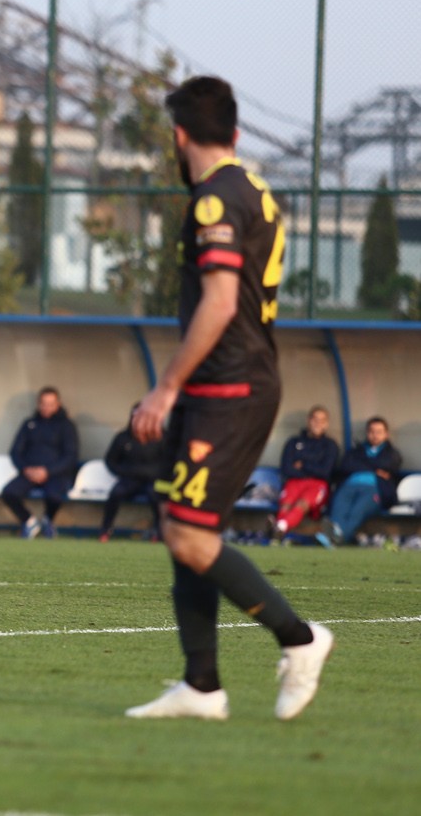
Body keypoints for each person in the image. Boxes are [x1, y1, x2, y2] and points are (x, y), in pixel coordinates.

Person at [128, 75, 331, 722]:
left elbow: (219, 302)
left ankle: (300, 638)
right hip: (224, 383)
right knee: (182, 527)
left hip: (231, 385)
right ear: (235, 133)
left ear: (179, 136)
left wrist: (166, 385)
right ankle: (202, 685)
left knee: (189, 536)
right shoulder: (256, 192)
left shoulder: (214, 201)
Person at [0, 387, 79, 538]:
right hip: (29, 472)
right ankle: (29, 522)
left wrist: (47, 471)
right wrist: (26, 469)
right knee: (9, 492)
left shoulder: (66, 426)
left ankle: (48, 521)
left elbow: (70, 456)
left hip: (55, 473)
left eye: (50, 403)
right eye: (43, 403)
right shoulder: (29, 423)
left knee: (54, 496)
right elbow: (15, 452)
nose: (46, 407)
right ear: (38, 404)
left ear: (58, 404)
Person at [318, 416, 403, 548]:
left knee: (357, 511)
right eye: (371, 431)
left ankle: (337, 538)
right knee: (339, 508)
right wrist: (376, 469)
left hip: (374, 489)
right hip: (349, 485)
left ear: (386, 434)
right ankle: (334, 536)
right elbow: (347, 465)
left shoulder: (392, 453)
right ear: (367, 433)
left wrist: (361, 465)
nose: (375, 435)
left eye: (379, 432)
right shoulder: (355, 451)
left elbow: (390, 465)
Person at [99, 409, 170, 542]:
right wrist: (126, 471)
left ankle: (158, 531)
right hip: (129, 479)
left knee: (158, 496)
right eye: (136, 418)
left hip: (154, 480)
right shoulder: (123, 437)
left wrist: (154, 472)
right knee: (115, 493)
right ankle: (105, 530)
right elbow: (110, 461)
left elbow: (169, 462)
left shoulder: (162, 436)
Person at [273, 406, 340, 540]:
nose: (318, 423)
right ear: (308, 421)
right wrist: (312, 469)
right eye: (315, 419)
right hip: (295, 482)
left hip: (317, 484)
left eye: (322, 420)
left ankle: (279, 528)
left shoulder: (330, 445)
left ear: (326, 424)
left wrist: (303, 465)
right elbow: (287, 469)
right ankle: (281, 531)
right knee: (286, 504)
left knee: (301, 504)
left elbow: (325, 472)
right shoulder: (293, 442)